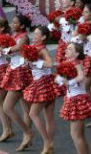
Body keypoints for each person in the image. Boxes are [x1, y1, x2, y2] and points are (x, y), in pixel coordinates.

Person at [0, 15, 34, 151]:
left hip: (20, 72)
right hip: (14, 69)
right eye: (12, 22)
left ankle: (28, 132)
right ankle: (27, 134)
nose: (12, 24)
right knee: (26, 107)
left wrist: (4, 49)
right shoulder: (13, 35)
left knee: (7, 107)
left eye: (15, 22)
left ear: (23, 26)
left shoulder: (24, 37)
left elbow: (17, 48)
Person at [23, 25, 59, 154]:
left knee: (33, 114)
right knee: (48, 116)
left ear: (43, 37)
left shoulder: (42, 49)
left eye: (37, 34)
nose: (34, 35)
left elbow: (50, 63)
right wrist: (28, 63)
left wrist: (36, 63)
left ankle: (47, 141)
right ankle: (50, 145)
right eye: (34, 33)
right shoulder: (34, 48)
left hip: (43, 83)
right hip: (42, 81)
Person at [58, 43, 91, 154]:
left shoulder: (76, 65)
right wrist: (60, 80)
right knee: (80, 135)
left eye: (70, 49)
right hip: (73, 97)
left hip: (77, 99)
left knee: (76, 135)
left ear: (76, 54)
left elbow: (81, 77)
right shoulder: (69, 64)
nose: (66, 49)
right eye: (67, 48)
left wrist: (69, 82)